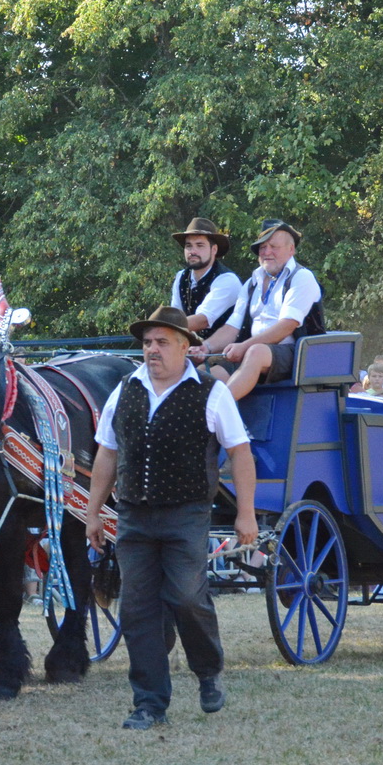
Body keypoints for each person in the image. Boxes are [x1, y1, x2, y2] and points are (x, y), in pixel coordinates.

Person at [87, 307, 255, 729]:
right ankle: (149, 704)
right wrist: (93, 512)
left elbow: (240, 452)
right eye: (147, 343)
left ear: (186, 347)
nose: (152, 350)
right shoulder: (124, 390)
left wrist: (247, 513)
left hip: (186, 513)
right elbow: (107, 453)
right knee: (137, 610)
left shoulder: (210, 393)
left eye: (162, 342)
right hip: (134, 515)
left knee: (185, 597)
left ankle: (208, 669)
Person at [197, 219, 322, 402]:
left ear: (291, 250)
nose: (266, 252)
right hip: (254, 355)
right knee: (203, 374)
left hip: (298, 355)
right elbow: (232, 328)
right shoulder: (251, 283)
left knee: (256, 352)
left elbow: (286, 327)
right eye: (262, 247)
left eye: (273, 247)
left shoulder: (302, 277)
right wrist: (205, 347)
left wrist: (245, 346)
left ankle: (217, 412)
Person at [166, 218, 242, 336]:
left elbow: (203, 320)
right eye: (189, 246)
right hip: (193, 350)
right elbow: (177, 314)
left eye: (200, 245)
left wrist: (160, 327)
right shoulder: (181, 277)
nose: (193, 251)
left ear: (214, 249)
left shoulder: (227, 280)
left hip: (226, 351)